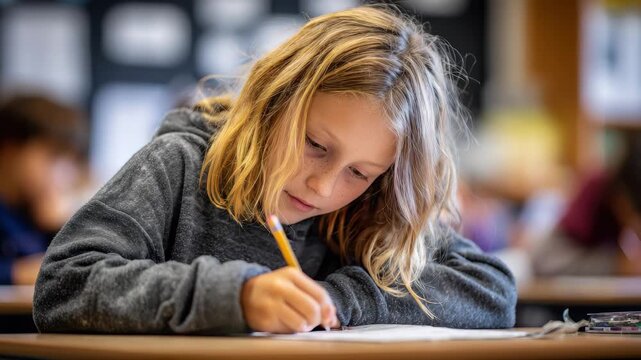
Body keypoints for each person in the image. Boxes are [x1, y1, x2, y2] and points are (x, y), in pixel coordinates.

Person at [33, 6, 516, 334]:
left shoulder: (374, 206)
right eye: (314, 144)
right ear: (274, 102)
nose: (323, 186)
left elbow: (492, 290)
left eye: (359, 172)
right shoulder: (178, 165)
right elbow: (64, 285)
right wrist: (236, 297)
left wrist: (339, 300)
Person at [0, 95, 87, 285]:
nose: (65, 173)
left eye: (71, 161)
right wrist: (15, 273)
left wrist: (62, 227)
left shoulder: (38, 212)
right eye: (53, 158)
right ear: (10, 149)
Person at [531, 130, 641, 276]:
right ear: (621, 200)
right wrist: (616, 265)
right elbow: (543, 260)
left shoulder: (625, 202)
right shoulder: (597, 190)